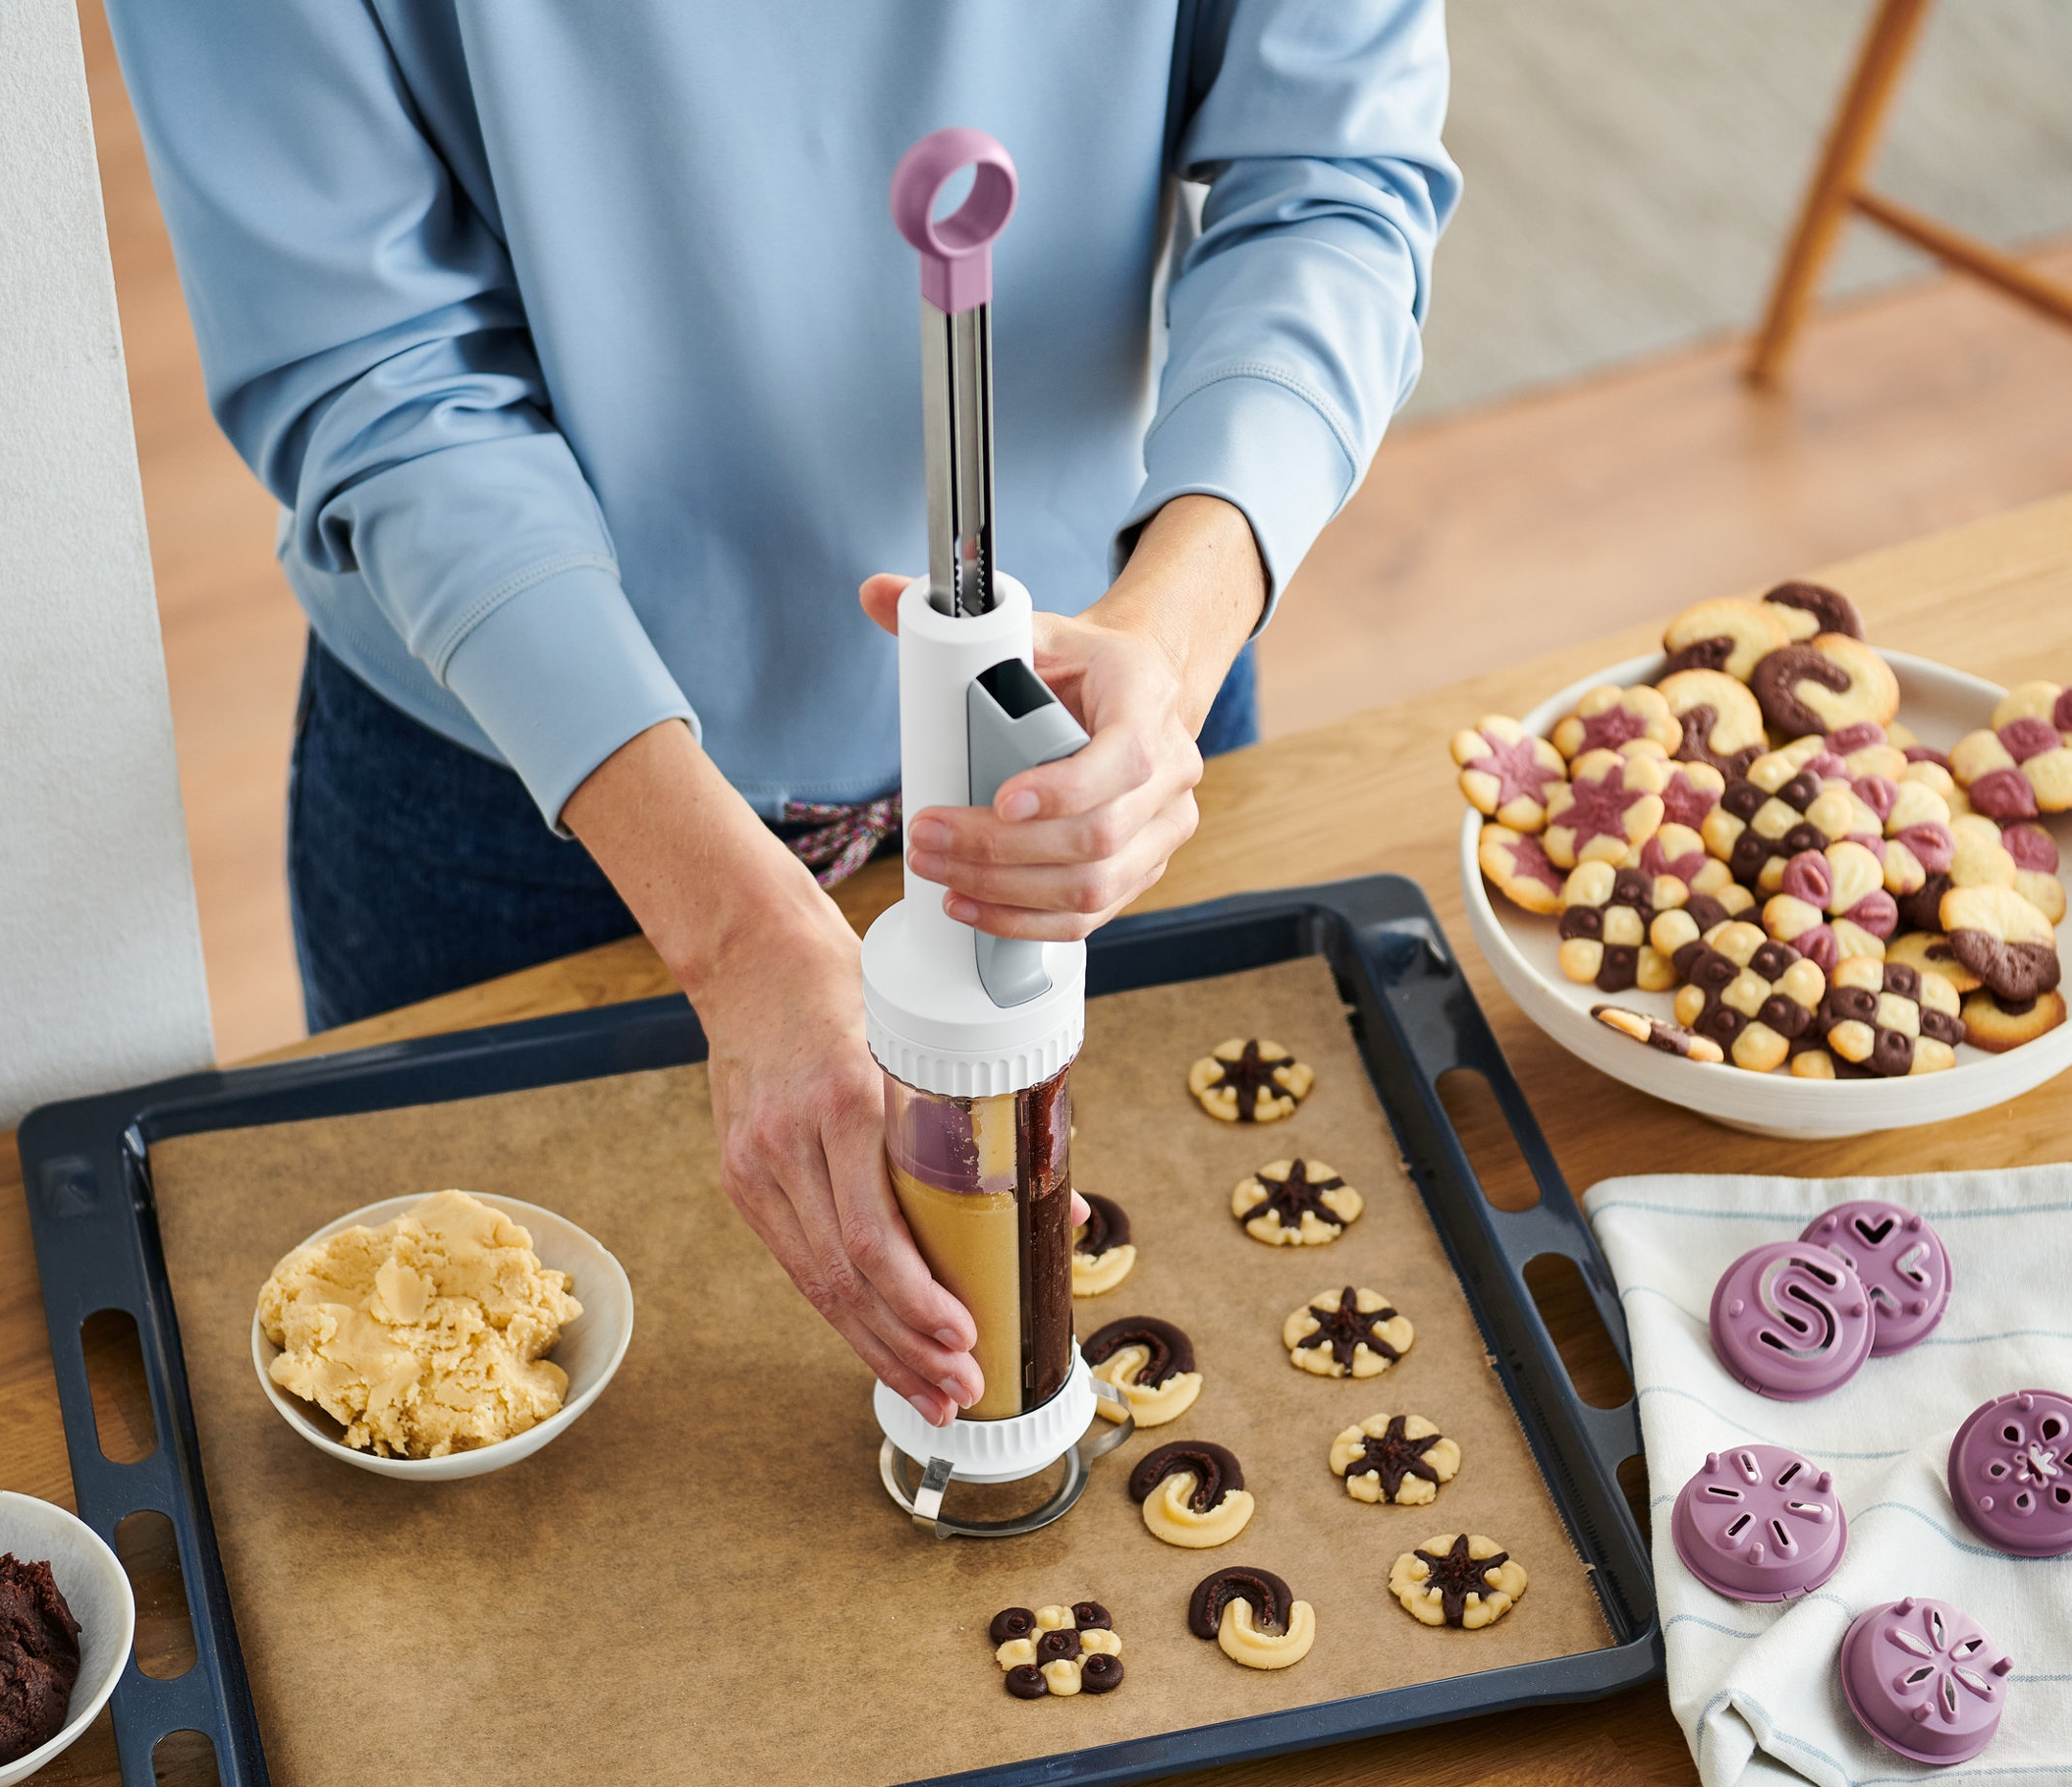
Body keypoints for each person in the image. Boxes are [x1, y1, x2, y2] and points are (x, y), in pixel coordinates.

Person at [105, 1, 1458, 1431]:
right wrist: (731, 931)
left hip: (1106, 732)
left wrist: (1171, 639)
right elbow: (369, 368)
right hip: (526, 789)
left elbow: (1333, 173)